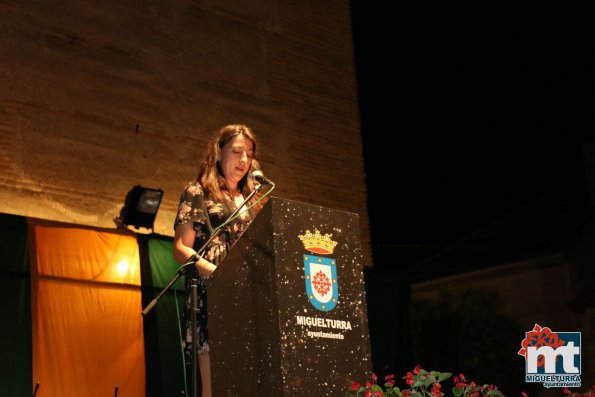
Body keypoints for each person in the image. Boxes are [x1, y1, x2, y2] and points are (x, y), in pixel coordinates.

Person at [173, 124, 261, 397]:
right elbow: (180, 248)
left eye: (248, 153)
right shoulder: (197, 192)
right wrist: (209, 268)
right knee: (214, 382)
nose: (243, 160)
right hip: (211, 290)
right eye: (236, 151)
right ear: (218, 152)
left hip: (247, 292)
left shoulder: (255, 199)